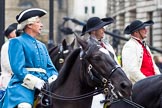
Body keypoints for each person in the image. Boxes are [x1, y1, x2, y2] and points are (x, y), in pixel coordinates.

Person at [1, 8, 58, 108]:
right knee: (25, 106)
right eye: (38, 22)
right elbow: (18, 69)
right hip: (22, 87)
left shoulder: (42, 46)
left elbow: (50, 68)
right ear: (29, 25)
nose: (42, 25)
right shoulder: (16, 42)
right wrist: (35, 81)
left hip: (45, 86)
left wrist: (53, 79)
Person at [81, 17, 119, 108]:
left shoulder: (107, 45)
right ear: (94, 31)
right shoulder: (86, 48)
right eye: (101, 28)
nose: (104, 30)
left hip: (113, 86)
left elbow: (116, 64)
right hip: (96, 90)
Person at [122, 20, 160, 84]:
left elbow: (153, 66)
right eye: (143, 29)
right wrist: (147, 82)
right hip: (141, 87)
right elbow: (132, 70)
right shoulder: (130, 46)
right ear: (136, 32)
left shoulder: (144, 45)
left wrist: (159, 79)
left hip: (153, 84)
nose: (146, 30)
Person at [0, 23, 18, 89]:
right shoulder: (7, 45)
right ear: (10, 34)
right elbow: (6, 63)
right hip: (9, 80)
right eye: (16, 31)